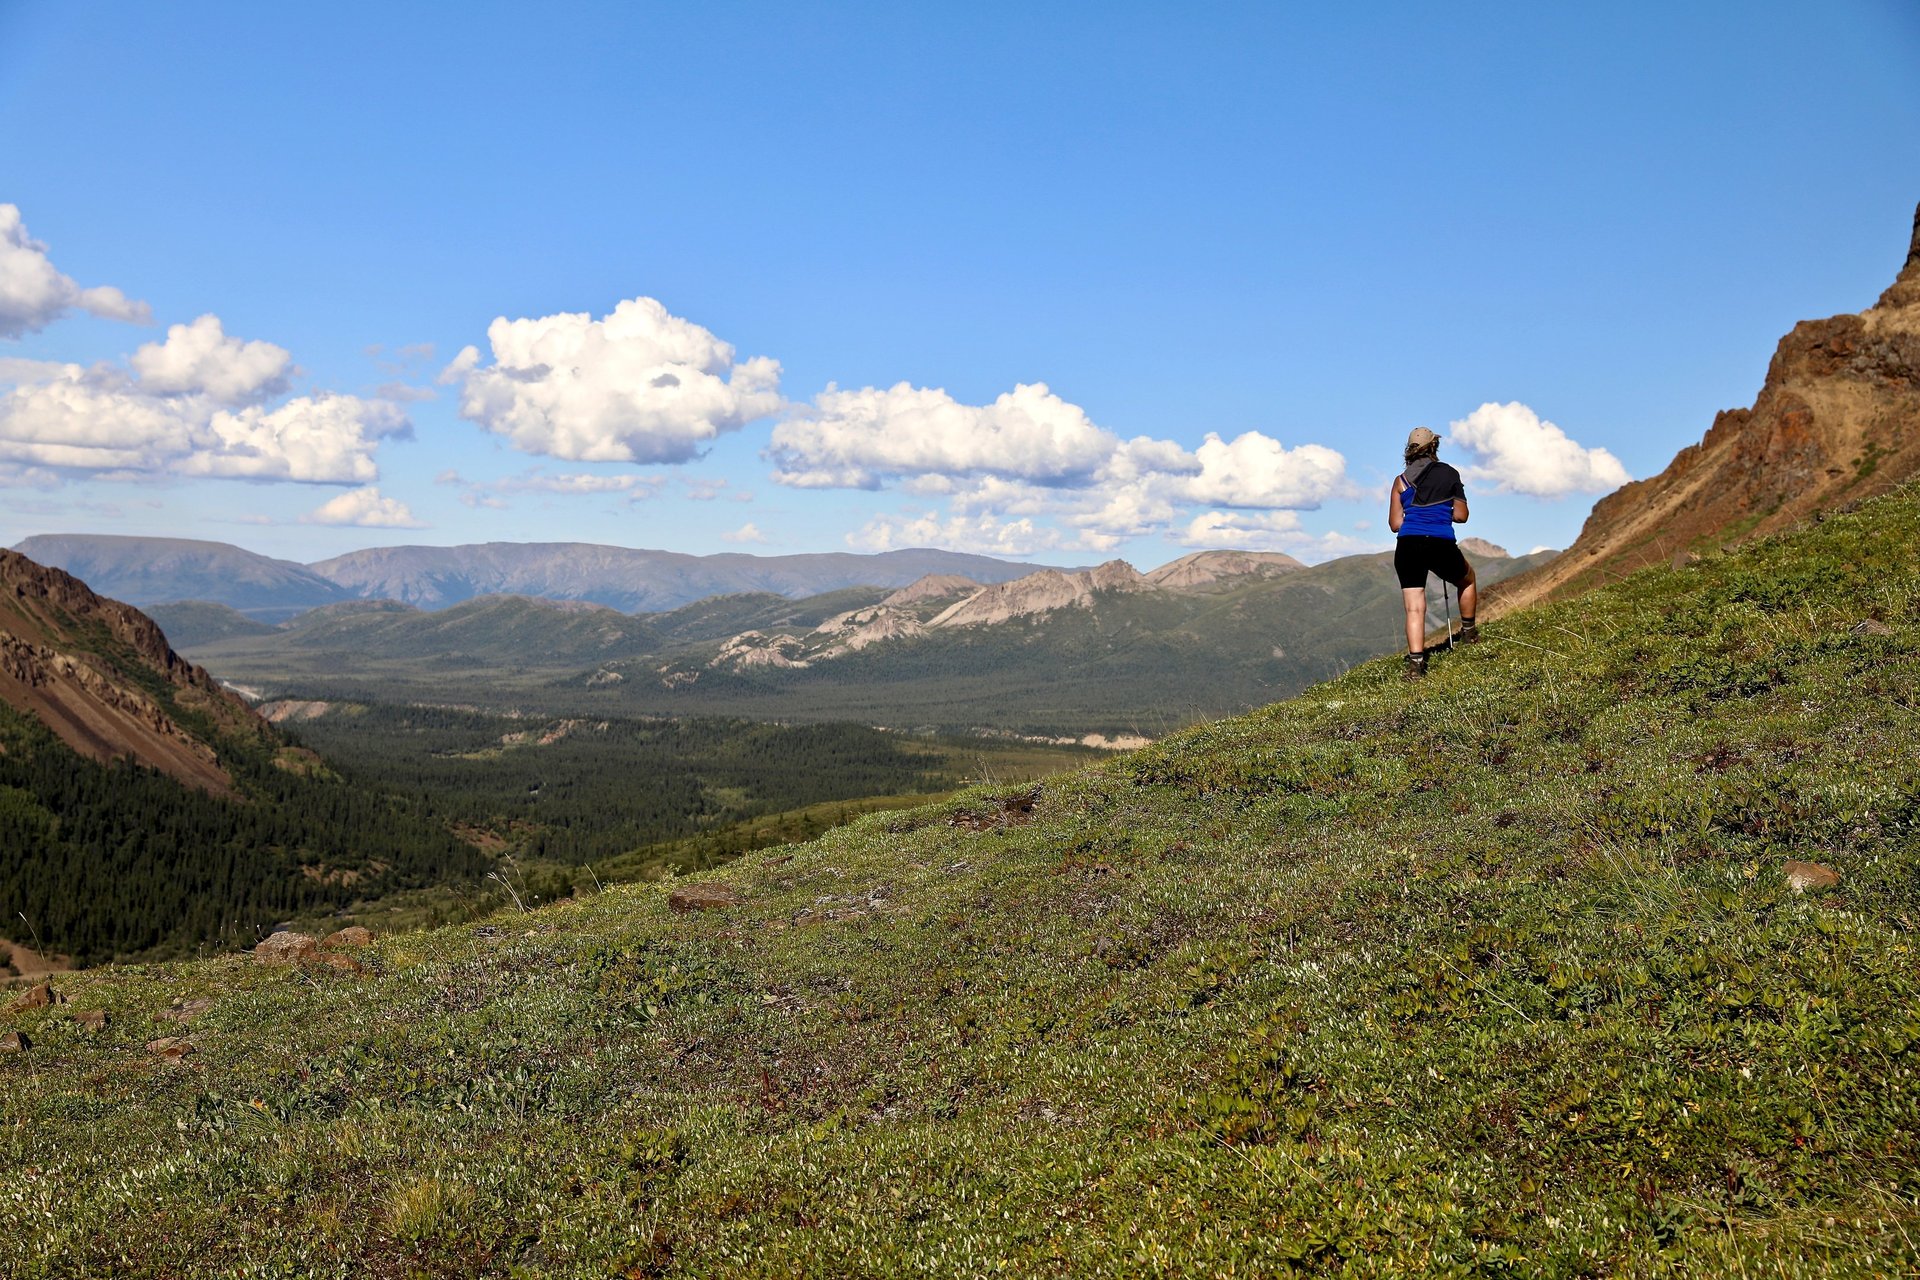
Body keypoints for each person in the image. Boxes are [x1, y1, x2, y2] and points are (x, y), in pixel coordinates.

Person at [1388, 426, 1477, 678]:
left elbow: (1395, 524)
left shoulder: (1400, 480)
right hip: (1439, 542)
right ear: (1434, 446)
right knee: (1467, 580)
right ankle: (1468, 633)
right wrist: (1441, 512)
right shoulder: (1450, 474)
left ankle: (1416, 665)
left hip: (1408, 545)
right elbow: (1461, 516)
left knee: (1414, 607)